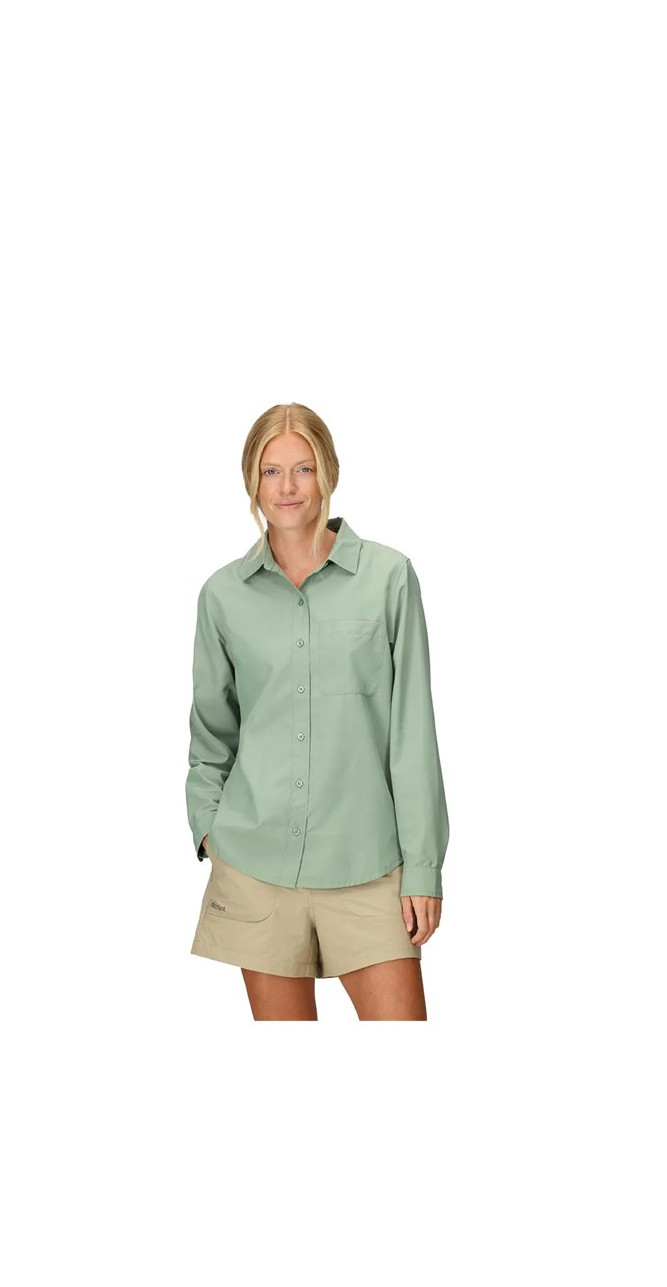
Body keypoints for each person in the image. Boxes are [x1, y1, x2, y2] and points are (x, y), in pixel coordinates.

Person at [185, 403, 449, 1021]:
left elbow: (412, 733)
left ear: (328, 472)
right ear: (251, 479)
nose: (287, 487)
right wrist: (210, 830)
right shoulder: (223, 595)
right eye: (271, 471)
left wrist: (423, 868)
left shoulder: (388, 578)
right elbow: (212, 734)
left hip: (369, 866)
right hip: (254, 868)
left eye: (303, 469)